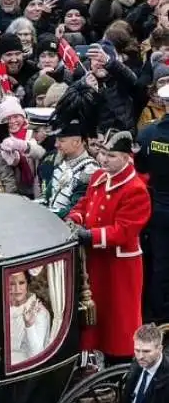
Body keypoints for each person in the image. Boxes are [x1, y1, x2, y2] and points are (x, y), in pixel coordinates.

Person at [68, 128, 151, 363]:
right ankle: (92, 360)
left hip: (119, 265)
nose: (104, 159)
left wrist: (90, 235)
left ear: (126, 158)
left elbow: (124, 231)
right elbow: (86, 204)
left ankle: (121, 364)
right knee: (96, 313)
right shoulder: (98, 177)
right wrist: (75, 219)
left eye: (111, 155)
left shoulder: (135, 189)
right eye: (103, 152)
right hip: (97, 259)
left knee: (119, 319)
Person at [136, 82, 169, 324]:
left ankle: (161, 315)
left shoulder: (148, 134)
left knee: (160, 264)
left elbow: (142, 167)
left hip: (159, 208)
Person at [40, 120, 99, 218]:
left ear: (76, 142)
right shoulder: (61, 162)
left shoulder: (89, 171)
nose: (56, 145)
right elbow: (47, 197)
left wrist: (46, 214)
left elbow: (76, 209)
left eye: (61, 141)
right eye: (56, 140)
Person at [9, 270, 51, 363]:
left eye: (21, 283)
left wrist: (29, 325)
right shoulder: (4, 308)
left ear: (27, 284)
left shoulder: (39, 312)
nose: (17, 288)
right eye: (12, 284)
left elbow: (36, 355)